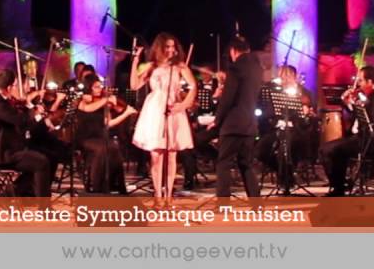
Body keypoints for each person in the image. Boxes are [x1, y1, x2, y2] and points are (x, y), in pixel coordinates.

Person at [130, 33, 197, 204]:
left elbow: (193, 86)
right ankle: (157, 195)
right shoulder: (151, 66)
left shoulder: (180, 66)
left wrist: (184, 105)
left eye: (173, 46)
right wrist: (136, 62)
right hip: (154, 110)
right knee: (156, 154)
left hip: (174, 108)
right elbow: (135, 85)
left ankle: (168, 195)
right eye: (167, 46)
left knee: (171, 155)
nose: (171, 50)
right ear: (160, 47)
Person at [320, 66, 374, 196]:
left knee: (328, 150)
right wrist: (348, 103)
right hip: (359, 138)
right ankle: (340, 185)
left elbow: (371, 126)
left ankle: (339, 187)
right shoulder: (368, 96)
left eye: (361, 81)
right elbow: (358, 117)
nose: (358, 84)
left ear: (370, 82)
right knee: (328, 149)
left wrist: (358, 104)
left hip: (369, 142)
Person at [0, 70, 52, 197]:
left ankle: (8, 195)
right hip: (0, 154)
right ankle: (43, 208)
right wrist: (35, 113)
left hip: (7, 150)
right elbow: (20, 121)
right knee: (41, 162)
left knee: (41, 160)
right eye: (15, 85)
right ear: (9, 87)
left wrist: (33, 112)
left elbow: (21, 123)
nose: (17, 88)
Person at [207, 37, 262, 197]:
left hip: (233, 124)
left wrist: (217, 120)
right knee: (246, 164)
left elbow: (228, 100)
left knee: (223, 163)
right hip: (250, 124)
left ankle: (223, 204)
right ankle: (256, 203)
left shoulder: (236, 67)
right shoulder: (257, 68)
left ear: (233, 51)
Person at [76, 75, 136, 193]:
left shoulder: (104, 103)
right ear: (89, 88)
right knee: (101, 149)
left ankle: (118, 186)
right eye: (96, 87)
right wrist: (106, 99)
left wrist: (126, 113)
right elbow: (89, 109)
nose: (100, 89)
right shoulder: (82, 101)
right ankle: (97, 187)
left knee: (114, 148)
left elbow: (109, 123)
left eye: (100, 86)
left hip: (100, 137)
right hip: (86, 138)